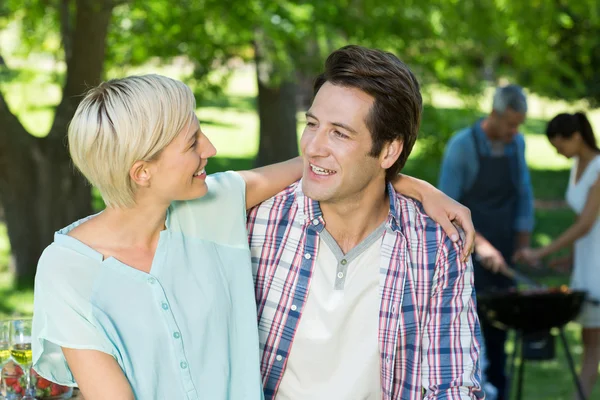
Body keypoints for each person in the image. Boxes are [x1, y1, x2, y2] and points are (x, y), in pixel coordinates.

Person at [31, 74, 475, 399]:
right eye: (192, 143)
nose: (211, 148)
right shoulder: (67, 269)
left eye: (200, 132)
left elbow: (322, 168)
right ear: (142, 172)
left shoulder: (215, 207)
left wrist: (412, 184)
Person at [247, 45, 483, 400]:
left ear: (388, 150)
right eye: (312, 124)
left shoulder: (437, 247)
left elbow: (451, 386)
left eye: (339, 133)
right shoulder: (258, 225)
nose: (312, 147)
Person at [437, 84, 534, 400]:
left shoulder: (515, 144)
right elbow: (445, 207)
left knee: (498, 336)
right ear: (494, 114)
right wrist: (479, 245)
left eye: (518, 124)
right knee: (468, 337)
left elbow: (523, 194)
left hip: (504, 253)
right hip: (465, 256)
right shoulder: (462, 146)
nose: (514, 131)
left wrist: (521, 242)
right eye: (511, 123)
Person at [515, 112, 600, 400]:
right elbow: (584, 222)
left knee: (592, 347)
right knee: (591, 345)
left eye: (559, 145)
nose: (557, 151)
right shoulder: (578, 164)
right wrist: (571, 259)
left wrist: (541, 251)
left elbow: (587, 223)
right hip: (587, 264)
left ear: (575, 137)